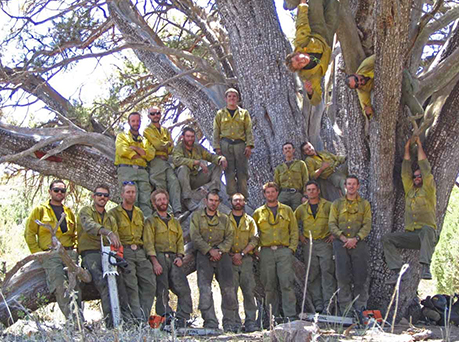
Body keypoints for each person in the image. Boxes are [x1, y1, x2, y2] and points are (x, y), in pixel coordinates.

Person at [383, 137, 437, 284]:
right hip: (413, 235)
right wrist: (407, 149)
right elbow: (405, 172)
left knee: (427, 230)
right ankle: (397, 271)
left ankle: (425, 267)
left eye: (419, 176)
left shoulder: (428, 190)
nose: (417, 178)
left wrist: (419, 145)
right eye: (415, 176)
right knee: (387, 238)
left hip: (427, 235)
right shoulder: (410, 191)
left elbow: (426, 169)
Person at [24, 179, 79, 319]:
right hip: (51, 254)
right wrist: (39, 254)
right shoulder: (40, 210)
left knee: (76, 287)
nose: (59, 193)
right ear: (50, 192)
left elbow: (75, 233)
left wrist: (76, 249)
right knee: (59, 286)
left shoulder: (68, 211)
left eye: (63, 191)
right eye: (56, 190)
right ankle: (73, 322)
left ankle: (80, 319)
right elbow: (29, 233)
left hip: (69, 253)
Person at [189, 190, 238, 331]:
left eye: (216, 201)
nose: (213, 203)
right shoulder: (197, 217)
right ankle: (210, 322)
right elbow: (195, 236)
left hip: (223, 257)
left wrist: (220, 250)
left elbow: (230, 236)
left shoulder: (224, 219)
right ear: (206, 200)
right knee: (205, 289)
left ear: (219, 202)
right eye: (211, 200)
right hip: (204, 256)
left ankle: (229, 322)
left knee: (228, 288)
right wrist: (210, 250)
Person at [108, 182, 156, 322]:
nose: (131, 195)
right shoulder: (114, 213)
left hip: (140, 252)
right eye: (128, 192)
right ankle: (136, 320)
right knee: (131, 286)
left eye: (133, 192)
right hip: (125, 252)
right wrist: (118, 256)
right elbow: (114, 235)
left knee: (149, 283)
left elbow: (145, 236)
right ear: (122, 194)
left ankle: (143, 316)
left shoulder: (139, 212)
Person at [144, 189, 192, 327]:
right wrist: (154, 262)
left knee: (183, 288)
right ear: (154, 204)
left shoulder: (174, 222)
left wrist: (180, 256)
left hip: (174, 258)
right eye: (158, 200)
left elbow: (179, 241)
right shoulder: (151, 221)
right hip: (159, 258)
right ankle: (165, 318)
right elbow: (148, 242)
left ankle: (183, 318)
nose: (162, 202)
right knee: (162, 289)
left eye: (164, 199)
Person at [253, 182, 299, 321]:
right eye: (268, 192)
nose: (271, 194)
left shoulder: (287, 210)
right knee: (269, 286)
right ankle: (272, 317)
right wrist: (256, 251)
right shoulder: (258, 213)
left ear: (277, 193)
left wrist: (291, 249)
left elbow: (294, 231)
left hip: (283, 251)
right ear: (264, 194)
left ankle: (290, 316)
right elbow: (253, 234)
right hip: (266, 252)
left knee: (286, 284)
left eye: (273, 191)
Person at [329, 175, 371, 314]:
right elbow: (332, 223)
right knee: (342, 276)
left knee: (361, 277)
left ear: (358, 186)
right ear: (345, 186)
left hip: (358, 244)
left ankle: (360, 308)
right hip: (340, 244)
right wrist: (343, 238)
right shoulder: (337, 204)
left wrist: (356, 239)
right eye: (349, 184)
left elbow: (367, 225)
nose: (351, 186)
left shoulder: (364, 204)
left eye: (354, 184)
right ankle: (346, 310)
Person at [285, 0, 340, 106]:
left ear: (297, 53)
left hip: (316, 29)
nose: (301, 61)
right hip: (327, 40)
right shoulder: (309, 76)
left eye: (297, 59)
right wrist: (310, 92)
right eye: (300, 65)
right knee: (334, 5)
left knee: (315, 3)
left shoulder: (301, 43)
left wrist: (303, 5)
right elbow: (316, 100)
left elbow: (302, 25)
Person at [295, 180, 336, 314]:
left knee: (327, 273)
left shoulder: (328, 206)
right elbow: (292, 223)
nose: (311, 192)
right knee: (312, 274)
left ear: (318, 191)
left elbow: (337, 220)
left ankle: (328, 304)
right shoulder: (301, 209)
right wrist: (300, 236)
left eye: (314, 189)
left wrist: (334, 235)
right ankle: (318, 304)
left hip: (325, 243)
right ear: (306, 192)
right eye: (309, 190)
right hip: (309, 244)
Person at [213, 88, 254, 200]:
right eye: (229, 96)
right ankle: (232, 198)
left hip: (240, 145)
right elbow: (216, 131)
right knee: (229, 172)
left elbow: (248, 130)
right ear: (226, 99)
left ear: (237, 98)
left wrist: (249, 145)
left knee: (242, 172)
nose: (232, 98)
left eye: (234, 96)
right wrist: (217, 148)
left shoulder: (244, 113)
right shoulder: (220, 114)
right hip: (225, 145)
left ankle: (243, 198)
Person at [173, 127, 228, 210]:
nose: (190, 139)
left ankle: (214, 192)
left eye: (192, 136)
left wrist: (220, 158)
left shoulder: (198, 148)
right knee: (183, 168)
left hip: (195, 178)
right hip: (183, 180)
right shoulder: (179, 148)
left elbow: (210, 156)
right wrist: (196, 162)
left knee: (217, 164)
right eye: (188, 136)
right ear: (183, 137)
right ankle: (187, 199)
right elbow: (177, 160)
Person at [227, 193, 259, 332]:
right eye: (235, 200)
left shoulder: (250, 221)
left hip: (246, 260)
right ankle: (234, 323)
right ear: (231, 202)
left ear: (244, 202)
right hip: (229, 260)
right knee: (231, 292)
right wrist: (231, 254)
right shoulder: (225, 220)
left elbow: (255, 239)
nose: (238, 202)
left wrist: (241, 253)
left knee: (248, 292)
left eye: (240, 200)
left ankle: (250, 322)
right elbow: (221, 238)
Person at [144, 106, 183, 216]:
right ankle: (167, 213)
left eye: (157, 113)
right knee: (160, 186)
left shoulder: (165, 130)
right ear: (149, 116)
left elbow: (171, 149)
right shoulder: (148, 130)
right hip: (155, 161)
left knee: (174, 182)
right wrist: (166, 144)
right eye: (152, 114)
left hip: (166, 161)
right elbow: (157, 145)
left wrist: (166, 145)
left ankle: (177, 210)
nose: (155, 115)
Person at [115, 112, 155, 217]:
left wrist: (136, 148)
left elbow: (151, 154)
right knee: (130, 199)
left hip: (142, 172)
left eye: (138, 121)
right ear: (129, 122)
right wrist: (142, 154)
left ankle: (147, 226)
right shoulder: (122, 136)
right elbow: (122, 151)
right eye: (133, 121)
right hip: (127, 170)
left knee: (146, 200)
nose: (136, 123)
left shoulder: (145, 140)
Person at [274, 142, 309, 211]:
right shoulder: (279, 167)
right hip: (283, 194)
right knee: (281, 213)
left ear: (293, 150)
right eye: (285, 149)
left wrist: (305, 195)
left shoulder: (301, 164)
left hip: (297, 194)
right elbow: (276, 184)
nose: (287, 150)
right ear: (283, 152)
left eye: (289, 148)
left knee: (298, 214)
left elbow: (306, 179)